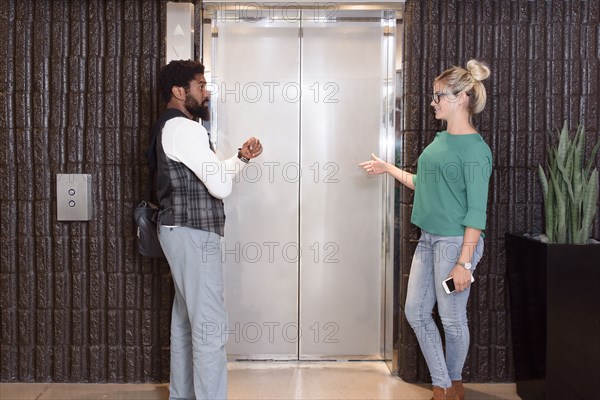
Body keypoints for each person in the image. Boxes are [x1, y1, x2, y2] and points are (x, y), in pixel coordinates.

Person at [360, 59, 492, 400]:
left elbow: (477, 211)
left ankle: (448, 387)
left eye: (438, 96)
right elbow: (425, 184)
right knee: (415, 312)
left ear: (461, 97)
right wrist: (387, 167)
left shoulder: (476, 150)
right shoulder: (440, 141)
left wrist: (464, 263)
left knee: (451, 319)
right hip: (429, 238)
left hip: (455, 243)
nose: (433, 102)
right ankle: (446, 385)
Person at [152, 60, 263, 400]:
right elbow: (219, 187)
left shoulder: (170, 127)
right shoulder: (187, 129)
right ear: (178, 91)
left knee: (186, 324)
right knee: (209, 328)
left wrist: (239, 159)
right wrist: (228, 171)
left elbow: (210, 173)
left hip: (178, 231)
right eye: (200, 85)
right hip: (194, 234)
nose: (206, 91)